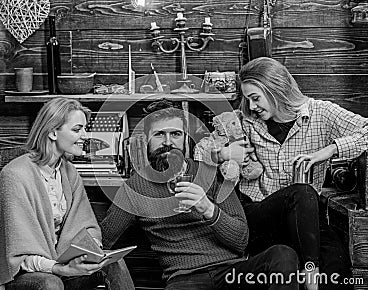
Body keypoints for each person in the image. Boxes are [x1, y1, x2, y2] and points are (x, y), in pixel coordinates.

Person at [101, 99, 301, 290]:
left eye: (176, 134)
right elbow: (103, 240)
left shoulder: (210, 172)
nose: (168, 142)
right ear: (146, 140)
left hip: (232, 272)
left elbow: (241, 240)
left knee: (282, 255)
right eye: (159, 134)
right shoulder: (134, 188)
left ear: (186, 139)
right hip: (185, 279)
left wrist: (208, 208)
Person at [212, 57, 367, 290]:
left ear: (276, 90)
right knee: (303, 192)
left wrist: (328, 151)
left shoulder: (321, 113)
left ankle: (312, 272)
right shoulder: (244, 122)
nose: (252, 106)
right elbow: (198, 152)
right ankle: (310, 273)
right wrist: (223, 154)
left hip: (304, 220)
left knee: (336, 263)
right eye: (247, 99)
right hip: (258, 216)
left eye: (256, 98)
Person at [0, 98, 135, 290]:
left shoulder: (69, 172)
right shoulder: (16, 175)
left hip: (61, 265)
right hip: (22, 274)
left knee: (113, 264)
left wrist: (93, 251)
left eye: (84, 129)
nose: (85, 135)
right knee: (51, 283)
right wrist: (59, 269)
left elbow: (85, 225)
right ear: (52, 132)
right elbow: (18, 256)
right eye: (77, 129)